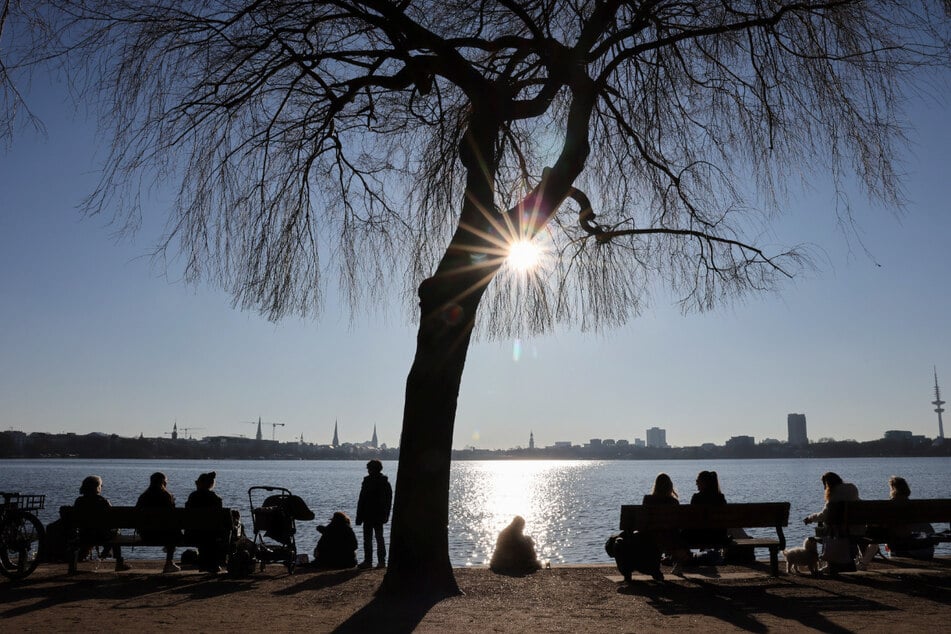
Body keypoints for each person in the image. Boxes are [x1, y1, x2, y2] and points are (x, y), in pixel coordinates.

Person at [803, 471, 865, 571]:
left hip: (840, 532)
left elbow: (824, 515)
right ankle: (850, 561)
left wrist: (810, 518)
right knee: (832, 526)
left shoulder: (833, 494)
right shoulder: (852, 488)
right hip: (857, 529)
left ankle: (830, 563)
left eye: (824, 485)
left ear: (827, 484)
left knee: (826, 528)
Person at [74, 475, 131, 571]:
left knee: (109, 531)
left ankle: (105, 550)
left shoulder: (79, 502)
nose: (102, 487)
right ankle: (118, 562)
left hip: (84, 535)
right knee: (117, 532)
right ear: (97, 487)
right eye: (101, 485)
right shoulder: (103, 502)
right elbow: (114, 520)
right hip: (102, 536)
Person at [643, 473, 691, 576]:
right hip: (670, 538)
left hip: (651, 536)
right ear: (670, 486)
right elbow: (678, 524)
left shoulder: (648, 499)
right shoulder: (673, 502)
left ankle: (654, 566)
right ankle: (678, 563)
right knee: (678, 536)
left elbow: (643, 520)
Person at [135, 471, 180, 573]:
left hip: (146, 535)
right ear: (163, 482)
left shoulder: (143, 496)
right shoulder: (167, 496)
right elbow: (173, 518)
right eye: (166, 482)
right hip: (166, 535)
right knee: (173, 532)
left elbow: (136, 514)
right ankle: (169, 563)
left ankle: (119, 563)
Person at [883, 476, 935, 560]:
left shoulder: (891, 507)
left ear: (893, 489)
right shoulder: (916, 506)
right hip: (928, 549)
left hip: (911, 550)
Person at [185, 471, 225, 573]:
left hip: (192, 534)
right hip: (212, 534)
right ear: (211, 484)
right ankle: (214, 564)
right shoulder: (216, 498)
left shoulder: (192, 497)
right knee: (214, 533)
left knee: (204, 533)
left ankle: (204, 564)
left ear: (199, 483)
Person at [355, 459, 392, 569]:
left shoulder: (368, 482)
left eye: (369, 469)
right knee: (379, 538)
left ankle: (369, 561)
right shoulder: (384, 482)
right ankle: (380, 561)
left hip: (369, 514)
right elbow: (388, 501)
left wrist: (359, 516)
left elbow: (362, 500)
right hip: (378, 515)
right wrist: (386, 514)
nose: (368, 471)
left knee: (369, 538)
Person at [685, 470, 729, 560]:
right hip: (718, 537)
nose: (696, 483)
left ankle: (683, 558)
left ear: (704, 483)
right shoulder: (720, 498)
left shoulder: (696, 498)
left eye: (697, 480)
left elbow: (690, 519)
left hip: (698, 537)